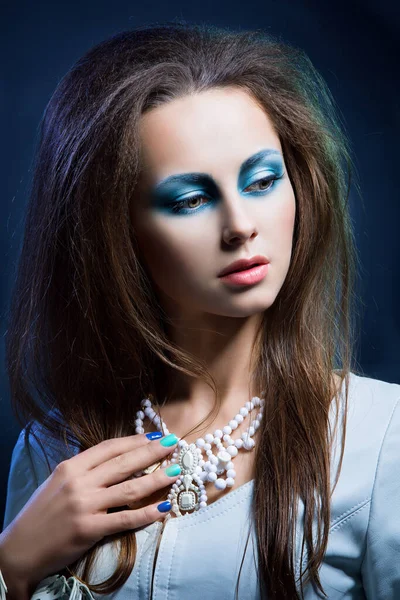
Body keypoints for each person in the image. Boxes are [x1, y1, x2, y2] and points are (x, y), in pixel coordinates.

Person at [0, 20, 399, 600]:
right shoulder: (50, 451)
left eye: (262, 181)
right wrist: (10, 562)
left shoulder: (382, 434)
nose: (240, 226)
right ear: (117, 231)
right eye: (190, 198)